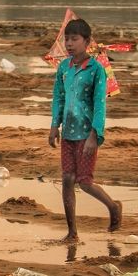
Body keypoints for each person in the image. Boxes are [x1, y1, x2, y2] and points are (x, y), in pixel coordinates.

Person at [48, 18, 122, 242]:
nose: (69, 44)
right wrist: (54, 125)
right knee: (67, 179)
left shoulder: (96, 70)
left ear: (87, 41)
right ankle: (72, 232)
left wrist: (95, 135)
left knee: (85, 182)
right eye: (66, 39)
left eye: (74, 39)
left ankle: (113, 206)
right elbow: (58, 98)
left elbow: (100, 104)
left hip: (86, 134)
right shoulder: (63, 68)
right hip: (68, 132)